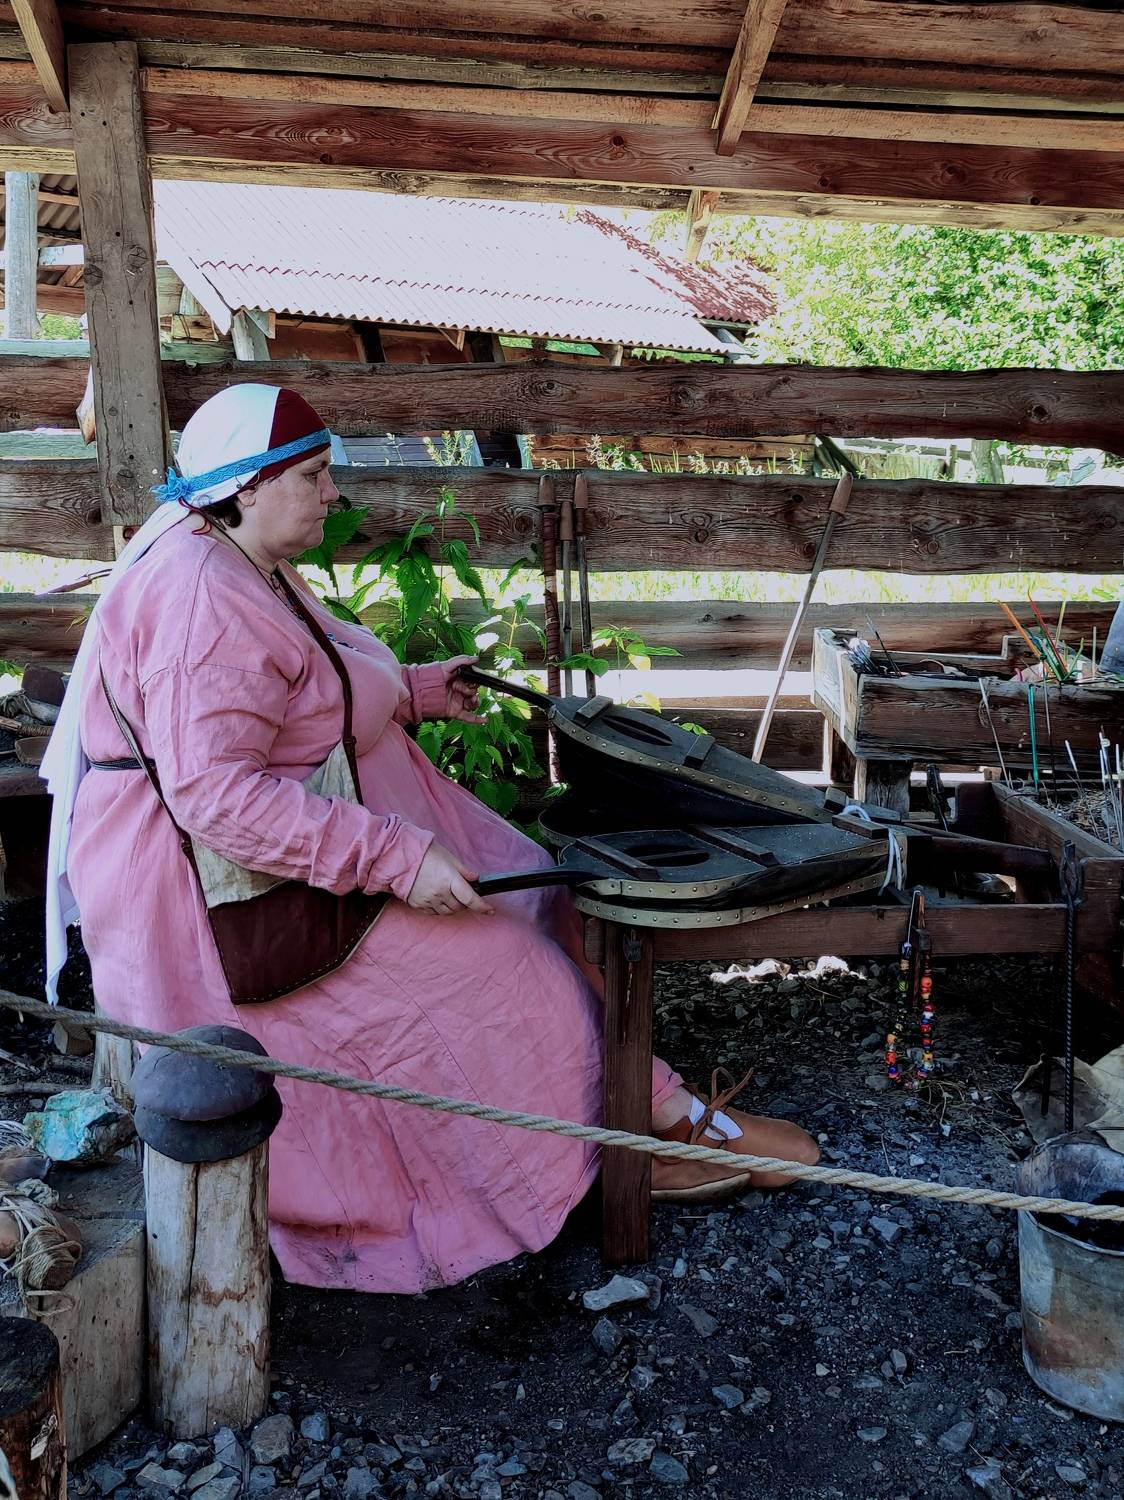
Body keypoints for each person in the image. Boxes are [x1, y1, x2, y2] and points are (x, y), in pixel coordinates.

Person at [41, 384, 818, 1294]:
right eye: (314, 476)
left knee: (533, 888)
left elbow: (300, 684)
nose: (333, 493)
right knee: (501, 969)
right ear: (246, 487)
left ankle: (629, 1110)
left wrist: (408, 691)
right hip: (221, 891)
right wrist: (395, 859)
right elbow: (218, 798)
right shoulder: (200, 599)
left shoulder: (238, 550)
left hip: (312, 839)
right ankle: (631, 1142)